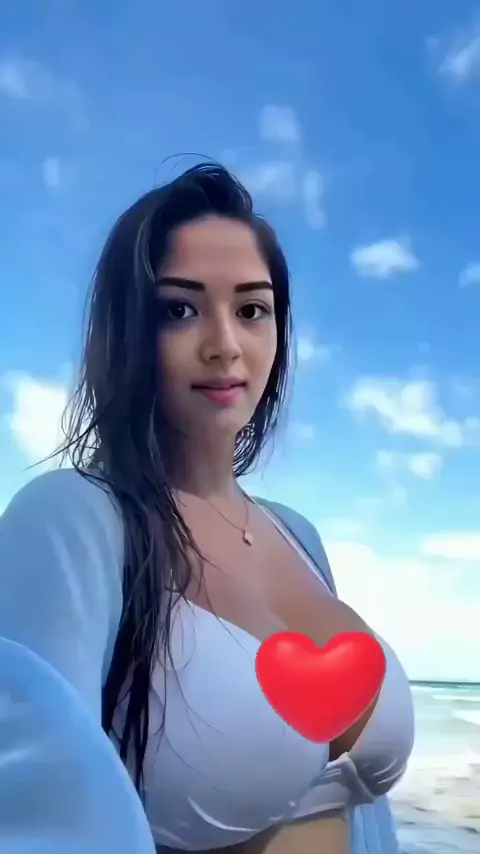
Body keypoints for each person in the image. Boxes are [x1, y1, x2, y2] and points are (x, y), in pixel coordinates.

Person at [0, 163, 414, 854]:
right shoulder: (71, 520)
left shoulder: (298, 535)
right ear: (127, 331)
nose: (225, 345)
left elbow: (360, 809)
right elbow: (32, 814)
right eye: (179, 309)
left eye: (252, 310)